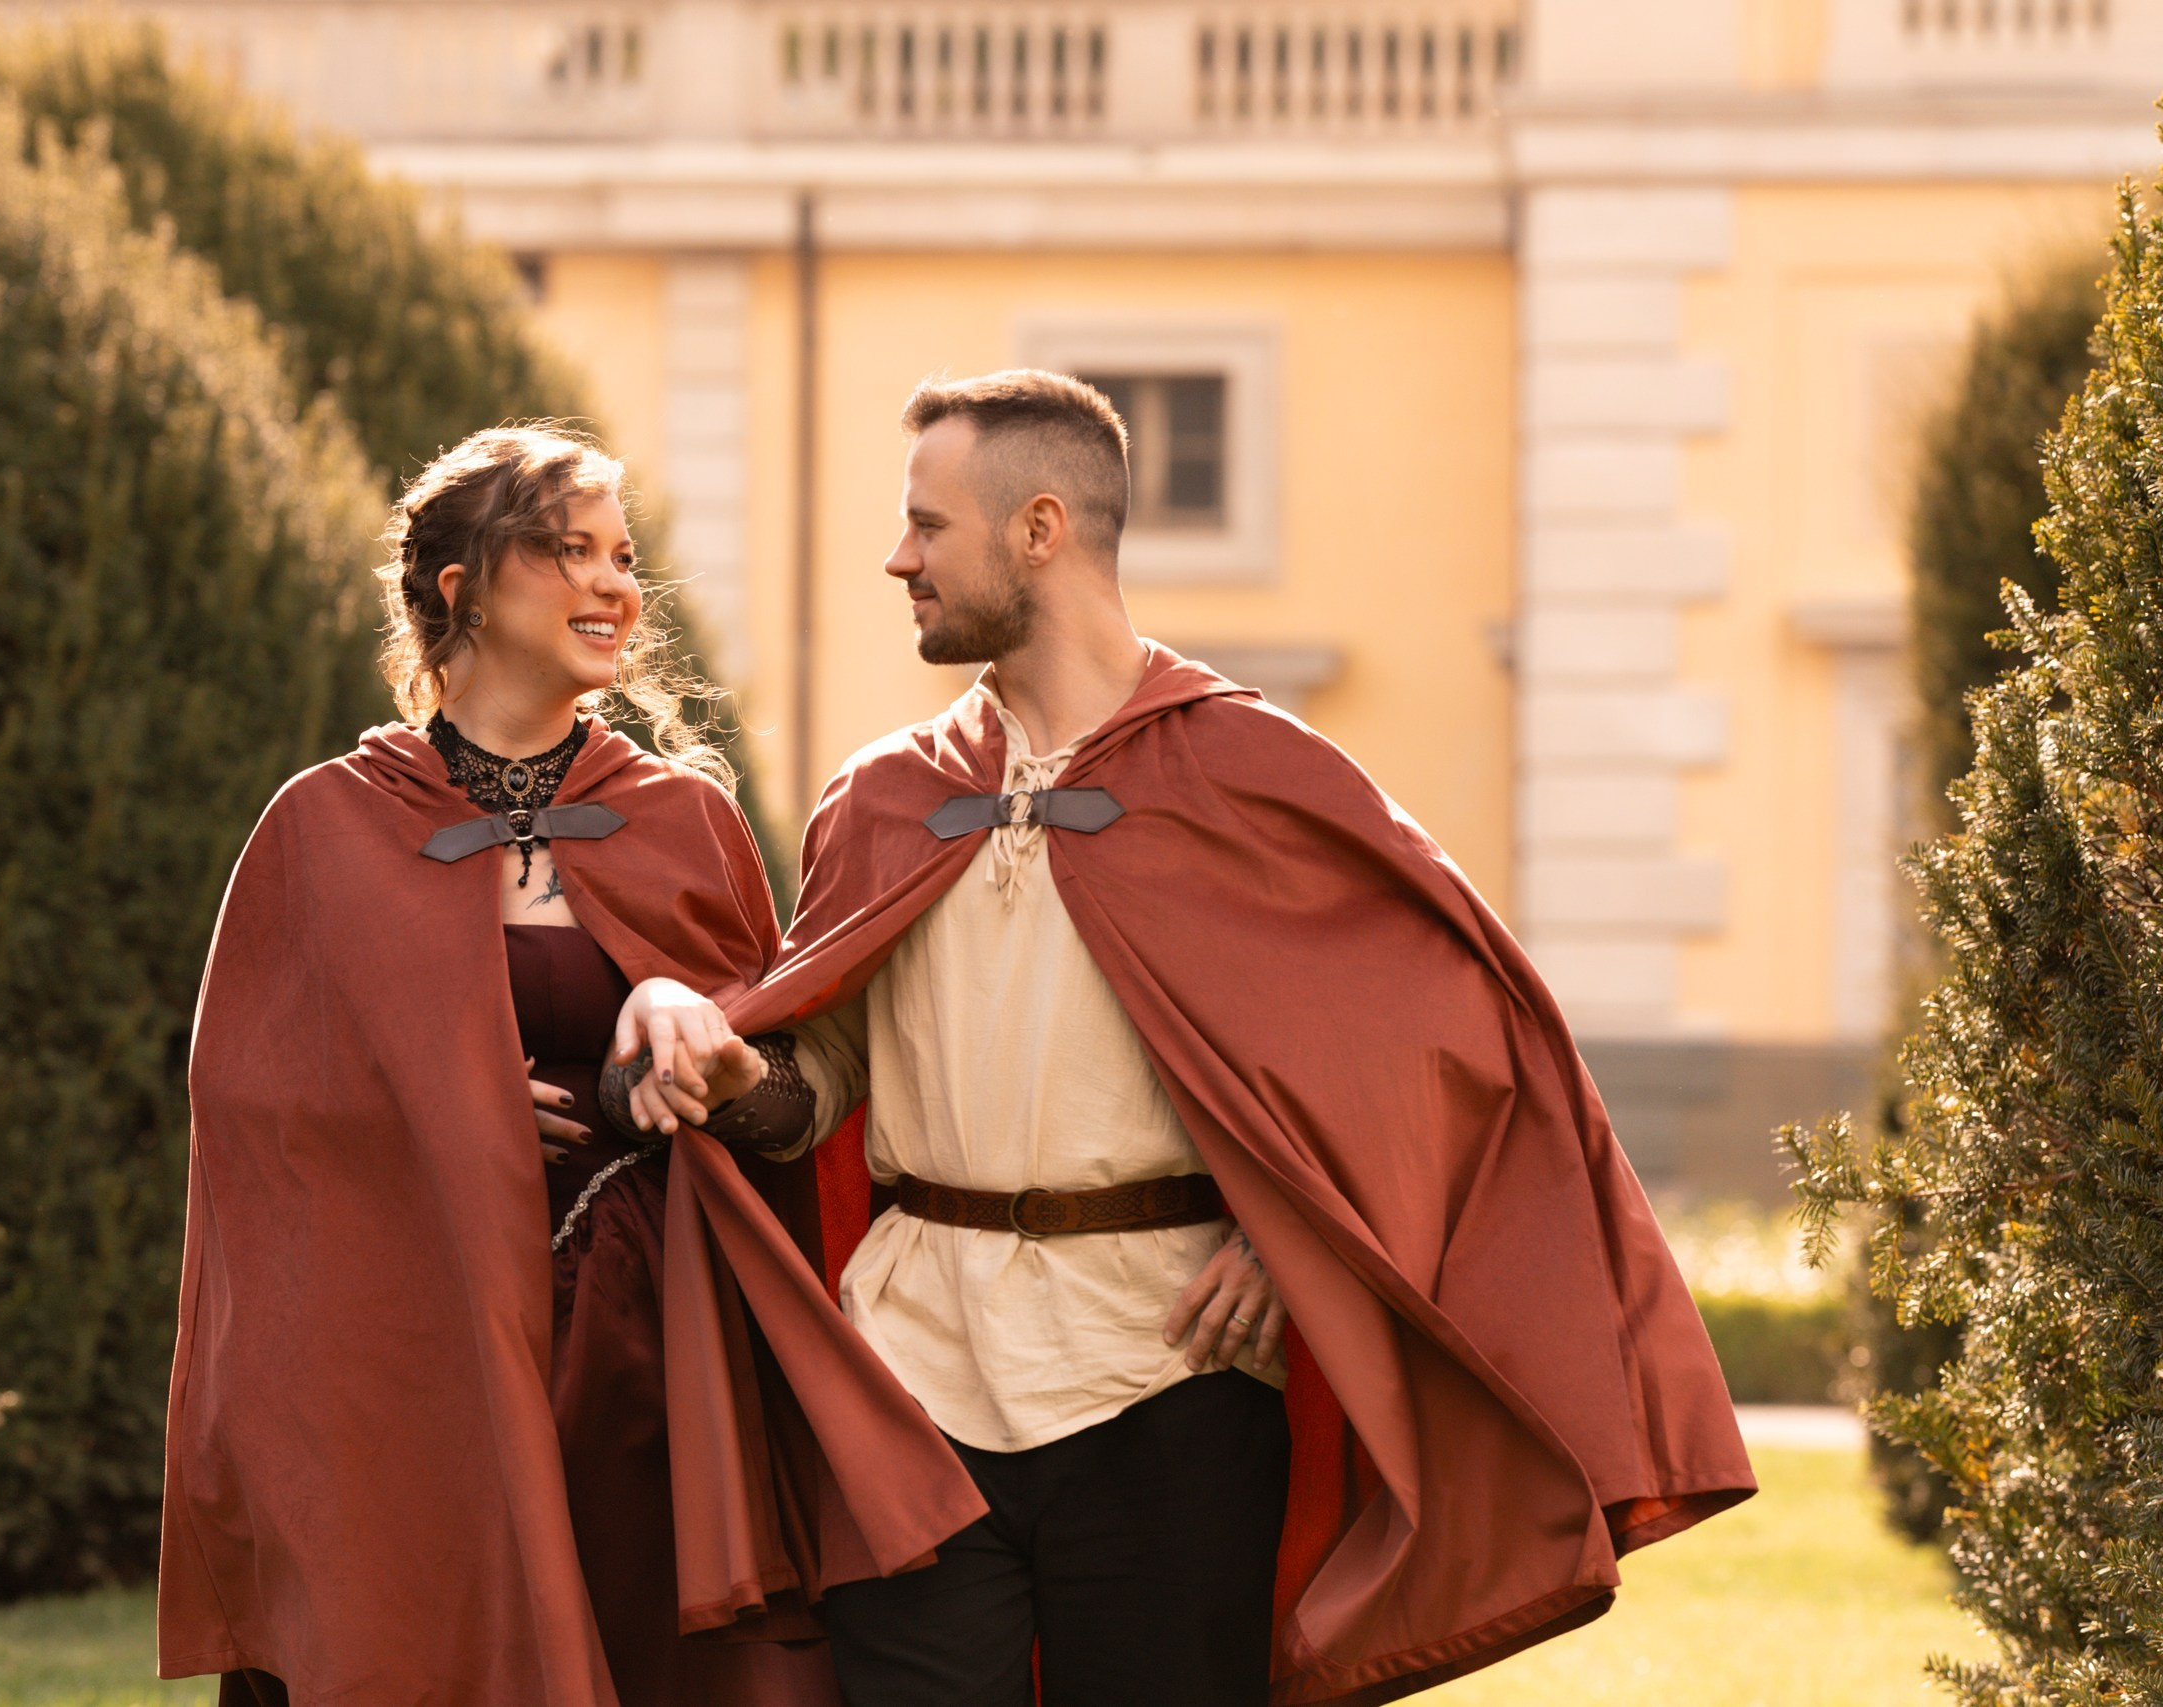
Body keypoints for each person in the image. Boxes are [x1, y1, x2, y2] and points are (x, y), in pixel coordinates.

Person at [611, 371, 1757, 1706]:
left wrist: (1299, 1232)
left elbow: (1459, 1043)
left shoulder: (1247, 773)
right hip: (910, 1377)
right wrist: (740, 1073)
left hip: (1169, 1379)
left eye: (928, 526)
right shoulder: (883, 797)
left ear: (1041, 529)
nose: (898, 557)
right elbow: (821, 1090)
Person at [157, 426, 979, 1707]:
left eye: (623, 558)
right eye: (566, 552)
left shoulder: (683, 818)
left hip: (643, 1353)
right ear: (460, 587)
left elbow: (778, 1092)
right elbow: (256, 1119)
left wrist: (694, 1062)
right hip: (401, 1347)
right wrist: (448, 1108)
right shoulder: (323, 825)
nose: (613, 587)